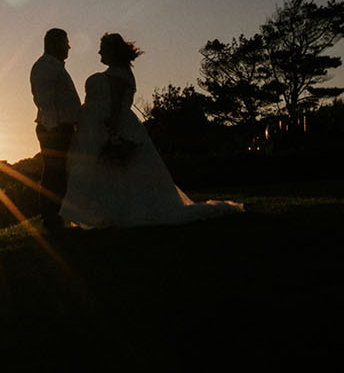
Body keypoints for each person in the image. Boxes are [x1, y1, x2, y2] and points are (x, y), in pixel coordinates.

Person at [61, 33, 243, 228]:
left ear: (113, 51)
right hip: (94, 130)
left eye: (103, 48)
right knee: (107, 172)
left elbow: (115, 105)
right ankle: (104, 213)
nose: (99, 52)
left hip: (110, 127)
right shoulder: (115, 73)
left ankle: (118, 213)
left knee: (119, 171)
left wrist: (112, 132)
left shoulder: (119, 75)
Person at [30, 27, 81, 231]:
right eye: (65, 42)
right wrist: (54, 129)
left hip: (60, 127)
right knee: (54, 175)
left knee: (60, 174)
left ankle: (58, 217)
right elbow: (45, 101)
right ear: (54, 43)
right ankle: (52, 220)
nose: (69, 46)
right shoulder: (45, 66)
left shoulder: (53, 65)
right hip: (55, 129)